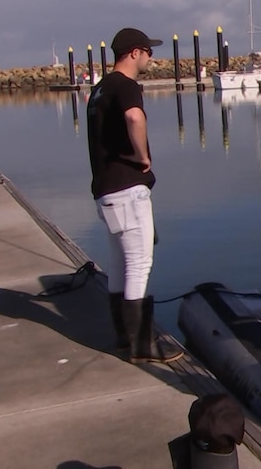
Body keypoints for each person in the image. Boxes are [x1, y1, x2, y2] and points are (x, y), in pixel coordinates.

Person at [86, 27, 182, 364]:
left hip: (106, 191)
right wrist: (142, 156)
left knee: (118, 264)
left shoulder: (99, 89)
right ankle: (143, 344)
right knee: (139, 264)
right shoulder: (126, 87)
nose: (151, 57)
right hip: (128, 190)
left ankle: (124, 337)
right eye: (147, 51)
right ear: (133, 53)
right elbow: (133, 117)